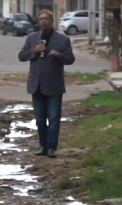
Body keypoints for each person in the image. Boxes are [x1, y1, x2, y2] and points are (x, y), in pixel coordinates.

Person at [18, 10, 75, 158]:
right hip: (36, 84)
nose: (43, 22)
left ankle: (51, 147)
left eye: (46, 19)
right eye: (41, 19)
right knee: (40, 118)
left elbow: (70, 59)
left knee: (54, 117)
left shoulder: (62, 40)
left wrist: (59, 56)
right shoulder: (32, 38)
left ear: (52, 21)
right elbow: (21, 56)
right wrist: (34, 51)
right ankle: (43, 145)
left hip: (54, 84)